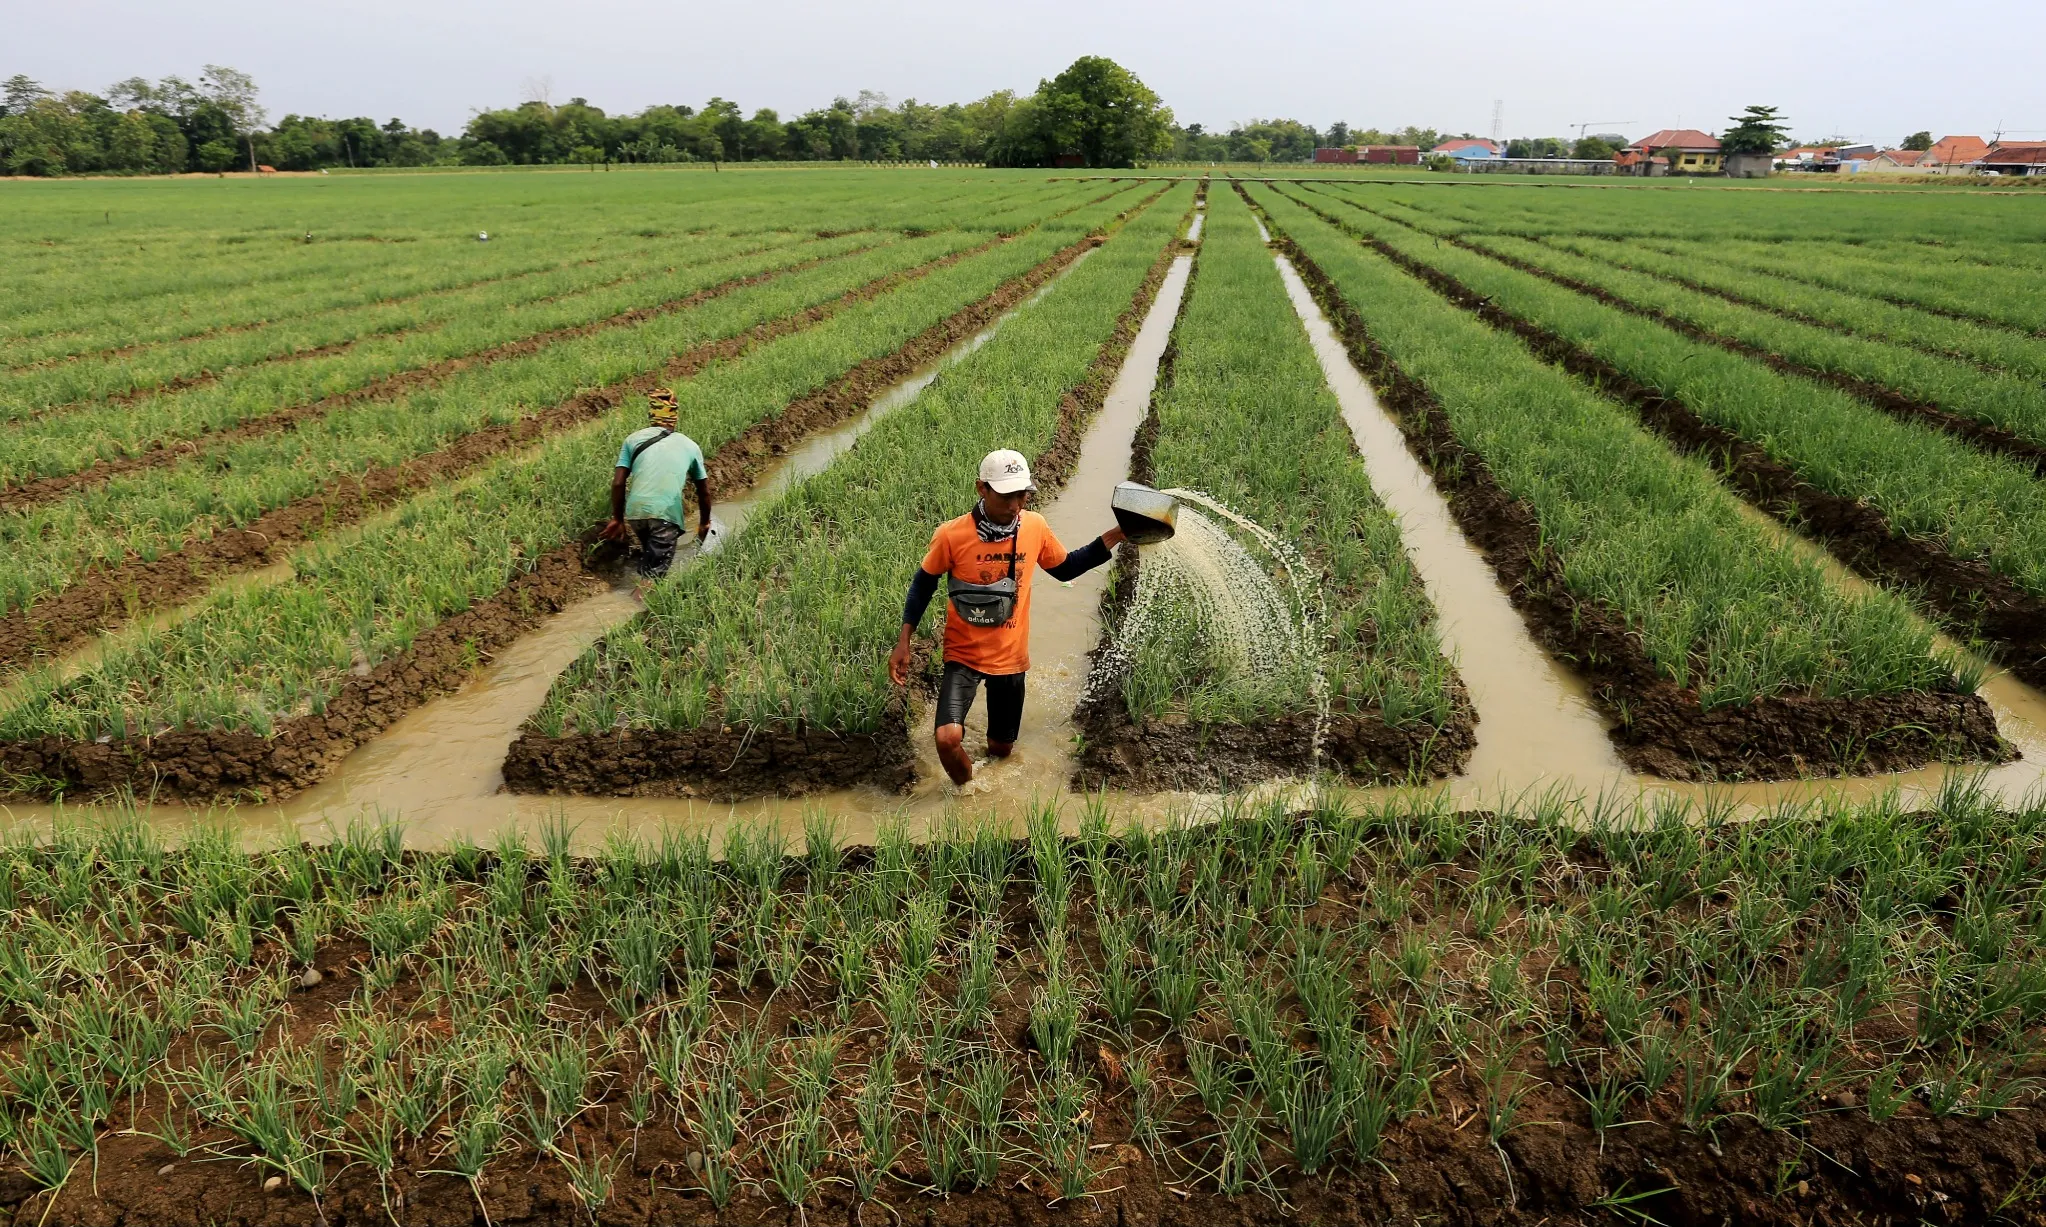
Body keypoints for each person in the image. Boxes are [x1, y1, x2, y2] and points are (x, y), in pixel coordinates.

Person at [889, 449, 1125, 787]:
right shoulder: (951, 535)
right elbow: (922, 586)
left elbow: (1066, 568)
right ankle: (968, 792)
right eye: (1006, 495)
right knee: (946, 740)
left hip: (1011, 660)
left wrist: (1116, 534)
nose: (1015, 504)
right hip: (963, 654)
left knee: (1001, 749)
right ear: (981, 489)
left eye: (1022, 494)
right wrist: (904, 642)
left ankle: (990, 776)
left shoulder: (1035, 527)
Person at [603, 388, 711, 578]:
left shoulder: (632, 440)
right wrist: (704, 523)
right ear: (675, 417)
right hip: (665, 514)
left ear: (651, 415)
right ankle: (639, 604)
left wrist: (617, 519)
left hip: (636, 513)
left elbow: (618, 483)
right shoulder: (690, 445)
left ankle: (642, 588)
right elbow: (703, 491)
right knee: (653, 577)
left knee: (651, 560)